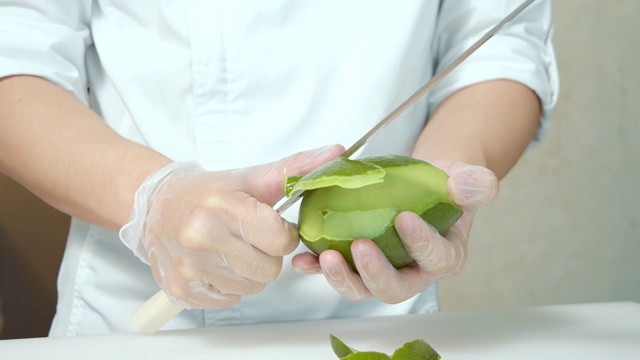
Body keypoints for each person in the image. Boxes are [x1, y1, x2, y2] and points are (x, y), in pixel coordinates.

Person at [0, 0, 558, 336]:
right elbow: (13, 51)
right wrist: (153, 200)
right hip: (140, 318)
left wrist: (451, 171)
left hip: (383, 319)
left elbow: (497, 43)